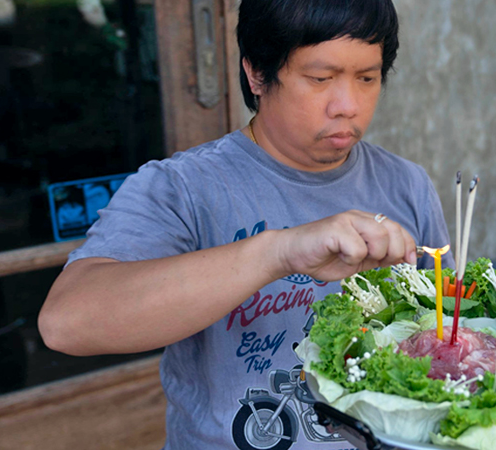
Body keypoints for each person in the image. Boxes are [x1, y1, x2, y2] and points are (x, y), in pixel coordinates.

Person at [39, 1, 454, 449]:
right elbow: (67, 323)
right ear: (257, 73)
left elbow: (447, 331)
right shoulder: (184, 188)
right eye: (320, 79)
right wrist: (277, 253)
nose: (348, 106)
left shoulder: (405, 184)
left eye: (367, 78)